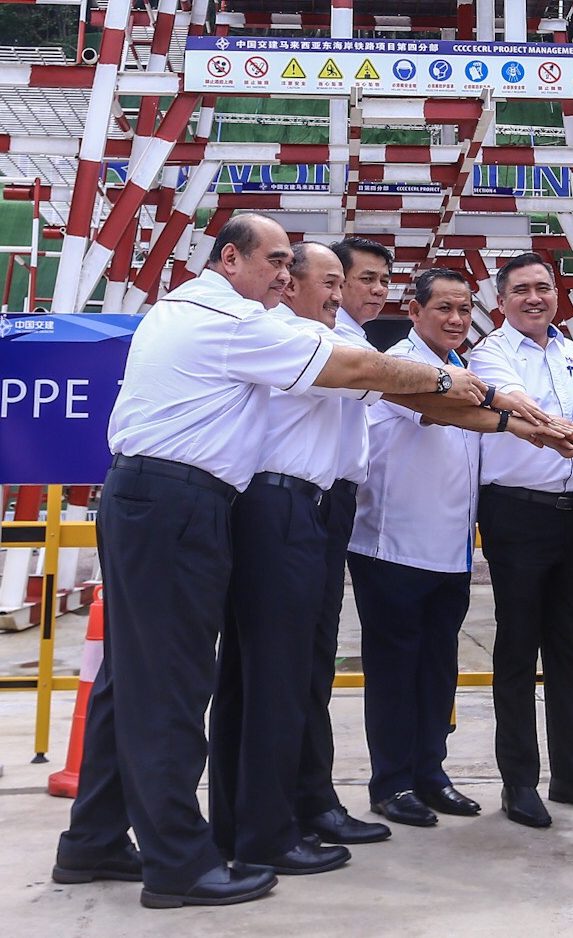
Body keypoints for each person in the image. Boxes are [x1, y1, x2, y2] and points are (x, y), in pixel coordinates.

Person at [53, 214, 494, 910]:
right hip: (177, 502)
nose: (285, 277)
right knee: (170, 686)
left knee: (132, 682)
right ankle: (178, 864)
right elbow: (352, 366)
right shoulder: (230, 320)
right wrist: (447, 376)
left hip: (160, 497)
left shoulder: (205, 312)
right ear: (231, 259)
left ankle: (95, 839)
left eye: (294, 264)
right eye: (278, 261)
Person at [207, 242, 380, 880]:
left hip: (303, 508)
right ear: (293, 283)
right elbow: (381, 381)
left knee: (270, 678)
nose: (341, 295)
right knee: (271, 680)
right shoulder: (284, 335)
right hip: (277, 508)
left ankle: (249, 820)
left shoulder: (319, 335)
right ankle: (266, 834)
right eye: (330, 282)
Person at [469, 251, 573, 827]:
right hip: (515, 514)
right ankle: (519, 781)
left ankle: (570, 773)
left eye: (543, 287)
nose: (534, 298)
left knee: (568, 648)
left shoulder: (571, 353)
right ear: (502, 300)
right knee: (517, 647)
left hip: (571, 517)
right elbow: (531, 415)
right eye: (521, 290)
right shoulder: (488, 355)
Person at [348, 268, 486, 828]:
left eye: (464, 309)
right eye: (444, 309)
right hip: (393, 545)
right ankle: (391, 782)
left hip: (451, 550)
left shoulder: (463, 369)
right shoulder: (400, 369)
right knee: (393, 669)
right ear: (415, 310)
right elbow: (443, 410)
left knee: (438, 667)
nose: (456, 320)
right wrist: (529, 420)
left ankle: (431, 772)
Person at [290, 236, 399, 847]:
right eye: (360, 280)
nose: (374, 290)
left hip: (332, 505)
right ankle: (303, 801)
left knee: (313, 660)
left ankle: (312, 795)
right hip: (301, 502)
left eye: (384, 280)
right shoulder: (321, 342)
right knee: (297, 661)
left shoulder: (352, 342)